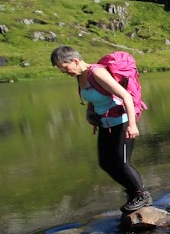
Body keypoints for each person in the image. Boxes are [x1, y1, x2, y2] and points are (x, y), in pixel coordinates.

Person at [50, 46, 152, 213]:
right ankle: (133, 192)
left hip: (122, 122)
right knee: (105, 163)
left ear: (75, 61)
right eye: (60, 69)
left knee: (122, 162)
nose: (63, 71)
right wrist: (89, 113)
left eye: (64, 67)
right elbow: (93, 98)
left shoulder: (96, 73)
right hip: (106, 125)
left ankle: (142, 194)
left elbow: (125, 96)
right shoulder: (80, 76)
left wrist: (132, 125)